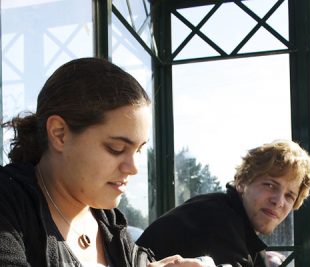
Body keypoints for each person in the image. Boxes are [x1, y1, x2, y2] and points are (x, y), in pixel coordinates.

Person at [0, 57, 207, 267]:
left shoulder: (111, 225)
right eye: (116, 148)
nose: (133, 168)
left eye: (139, 150)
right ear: (59, 134)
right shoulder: (9, 205)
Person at [137, 140, 310, 267]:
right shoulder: (213, 219)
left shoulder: (238, 226)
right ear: (241, 182)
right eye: (270, 185)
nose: (279, 201)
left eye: (290, 196)